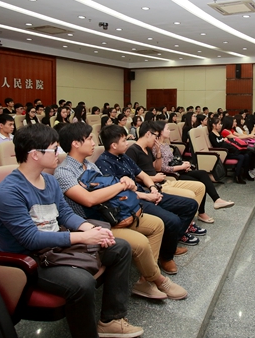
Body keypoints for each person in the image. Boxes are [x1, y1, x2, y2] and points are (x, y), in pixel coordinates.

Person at [0, 123, 143, 338]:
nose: (59, 153)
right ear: (34, 154)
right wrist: (83, 237)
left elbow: (65, 214)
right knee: (82, 283)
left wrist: (92, 230)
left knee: (120, 247)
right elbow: (31, 239)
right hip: (31, 260)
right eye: (54, 149)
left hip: (56, 247)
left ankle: (111, 319)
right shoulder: (10, 192)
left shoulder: (49, 180)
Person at [54, 123, 187, 300]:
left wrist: (123, 183)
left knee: (157, 225)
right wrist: (121, 185)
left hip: (112, 213)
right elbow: (89, 199)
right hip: (93, 223)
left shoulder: (90, 165)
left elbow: (109, 189)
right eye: (89, 139)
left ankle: (145, 280)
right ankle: (158, 280)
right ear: (75, 143)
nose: (94, 143)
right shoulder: (63, 172)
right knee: (140, 242)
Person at [96, 125, 198, 275]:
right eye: (124, 141)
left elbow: (142, 174)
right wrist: (147, 196)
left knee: (191, 205)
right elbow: (119, 194)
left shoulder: (123, 156)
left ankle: (168, 245)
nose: (127, 143)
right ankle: (166, 257)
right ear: (113, 145)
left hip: (145, 192)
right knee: (172, 220)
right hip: (133, 201)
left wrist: (153, 188)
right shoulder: (104, 163)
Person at [125, 122, 206, 243]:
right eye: (155, 136)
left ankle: (187, 223)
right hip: (152, 186)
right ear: (148, 134)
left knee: (200, 187)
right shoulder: (132, 151)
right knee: (190, 196)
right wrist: (153, 180)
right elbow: (132, 177)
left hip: (162, 181)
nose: (156, 139)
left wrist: (158, 153)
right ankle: (183, 229)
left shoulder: (148, 149)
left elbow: (157, 168)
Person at [153, 121, 234, 224]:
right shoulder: (156, 147)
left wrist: (184, 164)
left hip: (178, 170)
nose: (169, 131)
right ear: (160, 131)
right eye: (167, 129)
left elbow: (172, 160)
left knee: (203, 173)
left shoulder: (165, 144)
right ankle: (201, 213)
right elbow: (162, 168)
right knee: (200, 184)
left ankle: (217, 200)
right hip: (172, 175)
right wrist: (181, 167)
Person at [207, 117, 252, 184]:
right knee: (242, 156)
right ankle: (237, 176)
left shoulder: (218, 133)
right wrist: (224, 140)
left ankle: (245, 173)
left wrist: (224, 140)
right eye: (219, 124)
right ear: (214, 125)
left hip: (228, 150)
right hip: (223, 152)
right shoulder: (212, 134)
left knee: (246, 155)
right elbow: (216, 145)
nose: (220, 125)